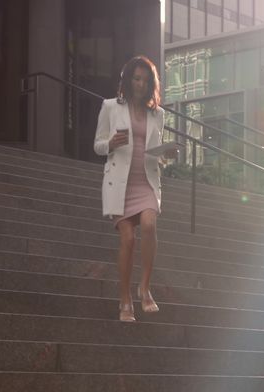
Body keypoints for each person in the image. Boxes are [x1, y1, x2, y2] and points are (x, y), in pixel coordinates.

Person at [93, 56, 177, 322]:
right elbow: (97, 144)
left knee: (150, 225)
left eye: (145, 79)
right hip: (121, 183)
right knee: (127, 240)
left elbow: (155, 152)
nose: (140, 84)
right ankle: (124, 299)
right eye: (136, 78)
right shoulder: (110, 107)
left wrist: (168, 154)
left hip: (146, 181)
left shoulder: (158, 114)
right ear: (128, 80)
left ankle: (144, 287)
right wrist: (111, 143)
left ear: (152, 83)